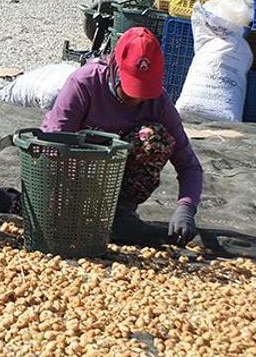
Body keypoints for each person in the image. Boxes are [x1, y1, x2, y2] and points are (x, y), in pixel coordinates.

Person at [41, 27, 204, 246]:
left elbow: (189, 165)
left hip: (114, 182)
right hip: (70, 174)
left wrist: (186, 208)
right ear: (115, 68)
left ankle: (119, 214)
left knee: (155, 138)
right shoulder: (84, 84)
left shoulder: (158, 103)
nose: (136, 99)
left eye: (143, 92)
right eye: (130, 89)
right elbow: (55, 144)